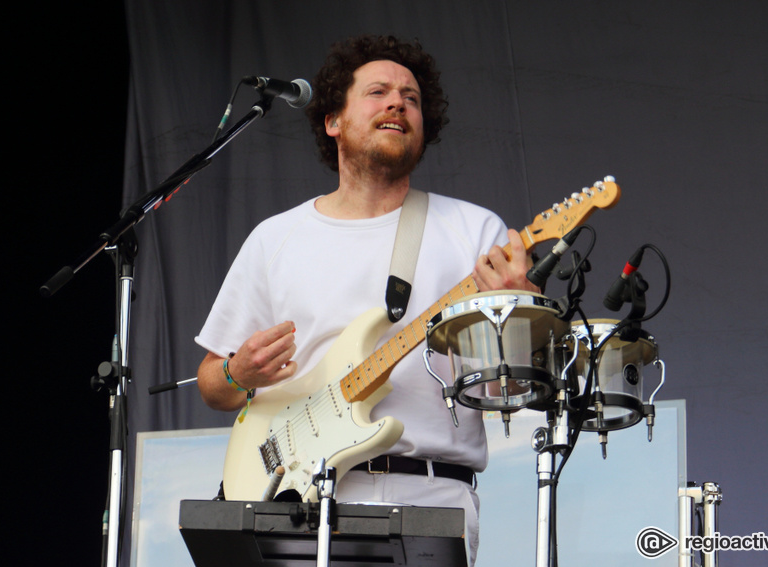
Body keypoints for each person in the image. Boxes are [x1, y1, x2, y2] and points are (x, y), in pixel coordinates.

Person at [195, 35, 539, 565]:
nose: (398, 102)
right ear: (332, 120)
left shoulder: (477, 233)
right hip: (295, 500)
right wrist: (240, 373)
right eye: (377, 91)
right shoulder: (276, 237)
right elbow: (212, 384)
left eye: (412, 97)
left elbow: (510, 391)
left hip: (430, 493)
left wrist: (513, 317)